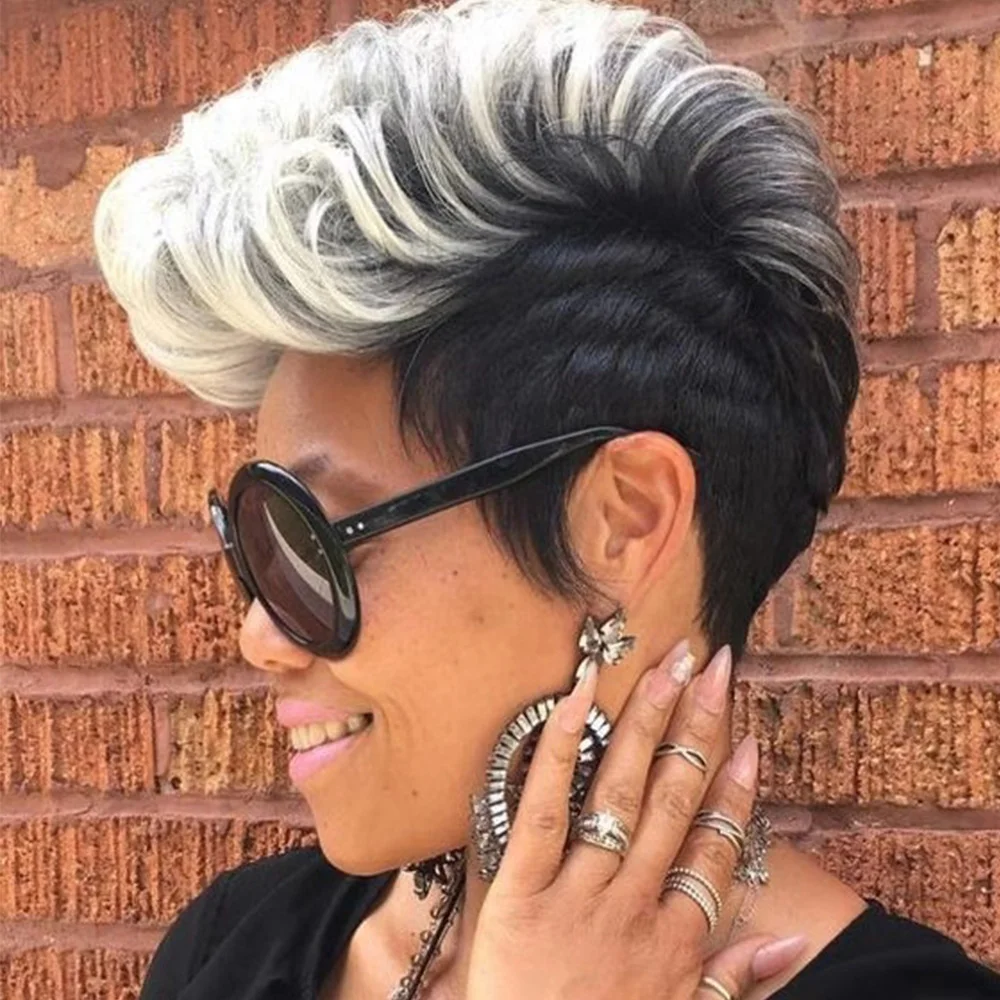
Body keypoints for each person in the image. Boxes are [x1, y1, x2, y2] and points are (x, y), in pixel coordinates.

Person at [91, 1, 1000, 997]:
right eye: (255, 543)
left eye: (316, 537)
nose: (262, 634)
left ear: (624, 519)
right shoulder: (229, 944)